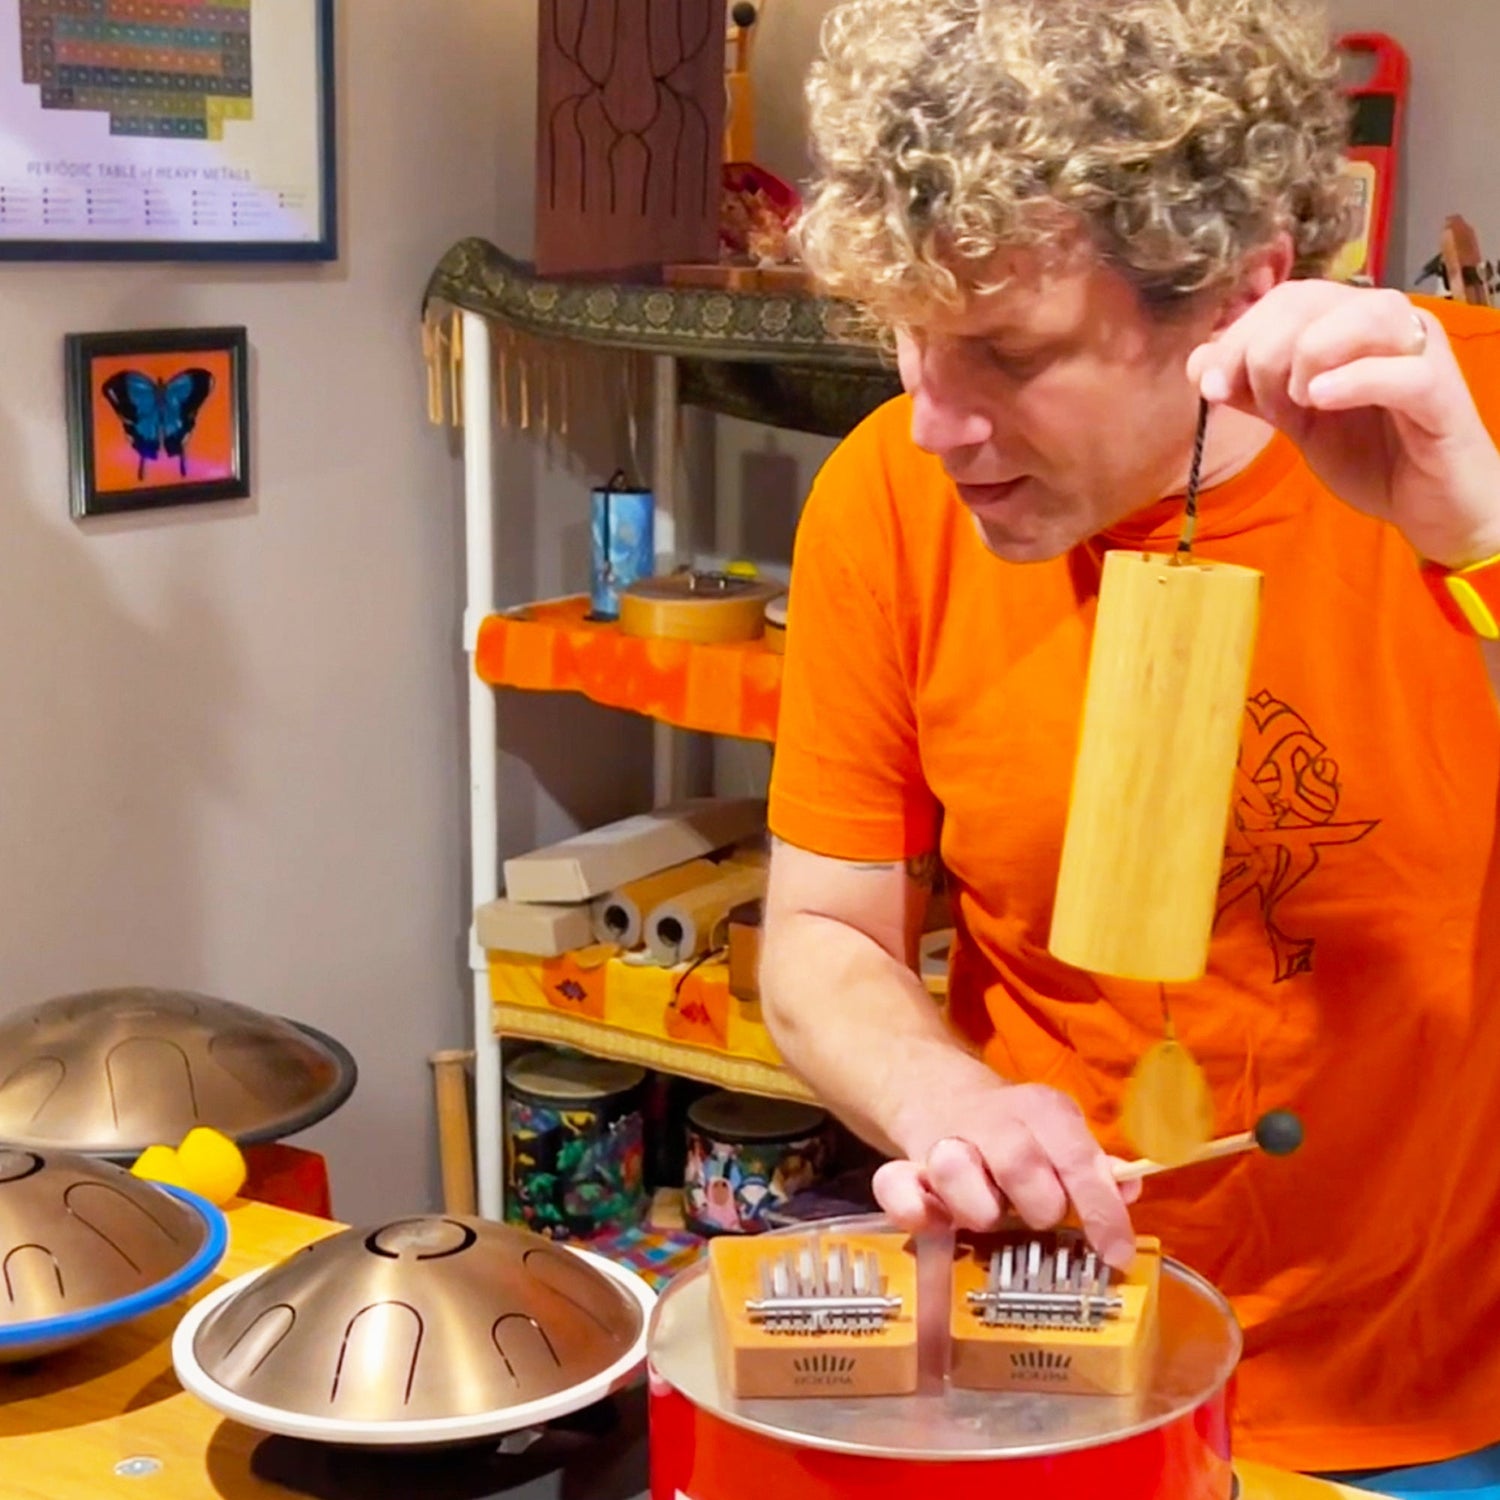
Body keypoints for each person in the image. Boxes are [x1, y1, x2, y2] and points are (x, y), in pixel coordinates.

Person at [757, 0, 1500, 1486]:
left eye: (1006, 354)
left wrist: (1480, 541)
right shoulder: (881, 504)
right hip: (1048, 1360)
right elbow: (821, 939)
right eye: (908, 338)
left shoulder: (1458, 426)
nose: (931, 423)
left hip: (1427, 1397)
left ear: (1238, 296)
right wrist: (946, 1100)